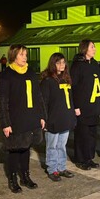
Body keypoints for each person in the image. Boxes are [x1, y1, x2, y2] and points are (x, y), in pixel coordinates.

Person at [0, 44, 46, 193]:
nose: (25, 57)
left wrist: (42, 116)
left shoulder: (30, 72)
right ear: (13, 56)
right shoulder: (7, 75)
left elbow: (38, 96)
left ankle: (25, 176)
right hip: (15, 119)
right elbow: (2, 101)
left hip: (30, 117)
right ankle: (12, 179)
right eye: (21, 55)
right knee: (15, 151)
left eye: (25, 54)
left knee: (26, 149)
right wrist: (5, 123)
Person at [40, 53, 76, 181]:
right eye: (58, 63)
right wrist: (44, 119)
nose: (62, 65)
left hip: (65, 118)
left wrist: (72, 114)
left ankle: (61, 167)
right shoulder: (47, 81)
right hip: (53, 119)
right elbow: (43, 102)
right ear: (52, 64)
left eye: (63, 62)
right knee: (52, 146)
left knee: (62, 145)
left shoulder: (66, 79)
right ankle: (52, 169)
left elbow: (70, 99)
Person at [70, 39, 100, 170]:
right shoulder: (78, 65)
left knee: (92, 133)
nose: (94, 49)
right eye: (92, 47)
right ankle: (81, 159)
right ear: (84, 49)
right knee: (82, 134)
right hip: (82, 106)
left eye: (94, 47)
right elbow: (74, 87)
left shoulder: (94, 64)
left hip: (94, 105)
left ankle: (89, 157)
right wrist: (76, 106)